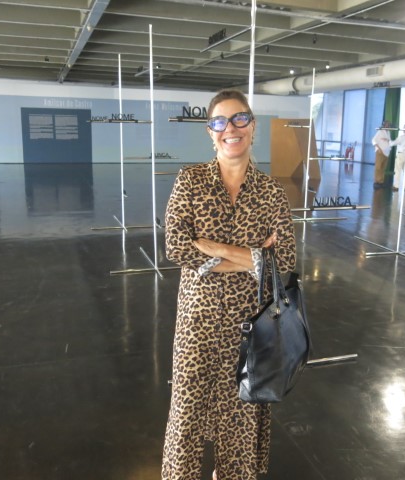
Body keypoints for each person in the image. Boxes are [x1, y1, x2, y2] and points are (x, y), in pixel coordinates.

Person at [161, 89, 296, 480]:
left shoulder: (271, 192)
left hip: (250, 325)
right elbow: (176, 246)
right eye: (219, 121)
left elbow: (284, 260)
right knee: (186, 411)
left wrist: (214, 249)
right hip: (197, 322)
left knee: (241, 416)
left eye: (239, 119)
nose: (230, 129)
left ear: (253, 126)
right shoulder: (190, 181)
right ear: (210, 131)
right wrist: (254, 257)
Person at [371, 120, 392, 189]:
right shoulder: (380, 132)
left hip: (386, 153)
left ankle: (381, 181)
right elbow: (373, 140)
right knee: (378, 167)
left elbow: (389, 141)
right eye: (386, 125)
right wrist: (379, 148)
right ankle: (376, 182)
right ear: (384, 125)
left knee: (383, 168)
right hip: (380, 152)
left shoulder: (388, 133)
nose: (388, 126)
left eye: (389, 125)